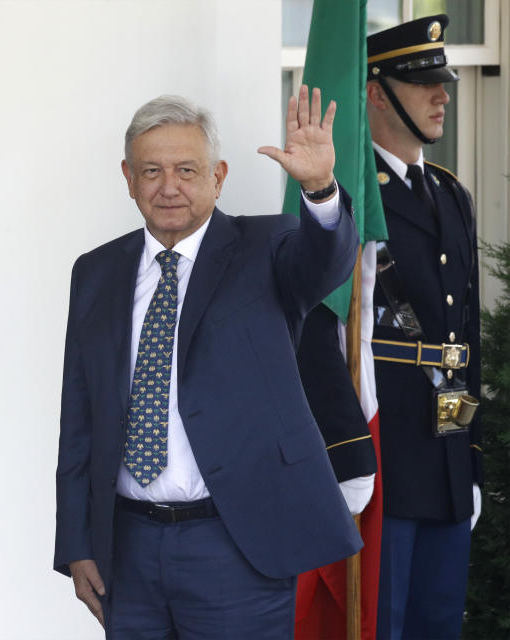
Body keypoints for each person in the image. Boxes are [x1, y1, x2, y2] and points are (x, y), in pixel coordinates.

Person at [54, 87, 363, 638]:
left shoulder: (268, 246)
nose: (168, 186)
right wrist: (77, 544)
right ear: (128, 178)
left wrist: (318, 189)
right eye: (151, 171)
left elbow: (326, 265)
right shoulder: (96, 272)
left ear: (219, 176)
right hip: (127, 547)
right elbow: (79, 416)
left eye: (187, 170)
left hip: (236, 542)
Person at [365, 15, 482, 639]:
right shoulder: (351, 198)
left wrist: (468, 459)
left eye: (443, 81)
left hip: (443, 457)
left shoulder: (451, 194)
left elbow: (463, 344)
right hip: (382, 459)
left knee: (438, 624)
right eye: (422, 83)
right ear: (376, 91)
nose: (442, 94)